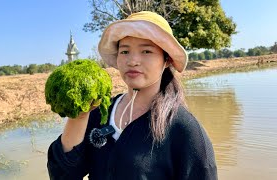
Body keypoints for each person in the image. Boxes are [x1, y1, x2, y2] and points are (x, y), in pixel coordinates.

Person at [47, 11, 217, 180]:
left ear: (167, 60)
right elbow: (63, 175)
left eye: (146, 51)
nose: (132, 61)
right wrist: (80, 116)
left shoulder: (184, 129)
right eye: (125, 51)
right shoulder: (100, 113)